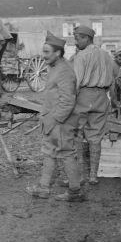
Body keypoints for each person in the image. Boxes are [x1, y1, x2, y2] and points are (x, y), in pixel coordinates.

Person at [27, 32, 84, 202]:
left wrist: (55, 120)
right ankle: (44, 188)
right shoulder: (55, 68)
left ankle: (75, 192)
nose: (43, 56)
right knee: (49, 153)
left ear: (58, 53)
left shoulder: (65, 71)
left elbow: (67, 102)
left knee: (66, 153)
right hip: (52, 122)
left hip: (60, 123)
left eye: (46, 52)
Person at [71, 25, 115, 185]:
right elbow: (113, 80)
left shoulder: (81, 56)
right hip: (101, 97)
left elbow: (75, 81)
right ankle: (93, 176)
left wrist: (69, 102)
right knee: (95, 137)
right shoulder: (105, 55)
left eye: (77, 39)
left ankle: (81, 175)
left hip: (84, 96)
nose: (76, 43)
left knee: (77, 135)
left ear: (86, 38)